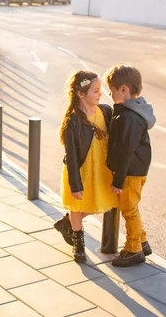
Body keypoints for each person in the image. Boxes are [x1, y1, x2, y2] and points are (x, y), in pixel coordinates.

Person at [53, 70, 118, 263]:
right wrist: (75, 184)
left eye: (100, 90)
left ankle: (68, 223)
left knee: (107, 201)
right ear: (81, 94)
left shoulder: (105, 111)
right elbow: (71, 156)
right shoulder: (72, 122)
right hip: (81, 170)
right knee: (78, 205)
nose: (100, 94)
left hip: (101, 169)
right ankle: (77, 241)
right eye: (96, 91)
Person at [105, 65, 156, 267]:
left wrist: (118, 179)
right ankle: (142, 242)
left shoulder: (129, 117)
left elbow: (126, 150)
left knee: (129, 210)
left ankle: (133, 250)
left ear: (124, 90)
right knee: (131, 207)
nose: (110, 95)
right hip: (135, 169)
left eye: (112, 91)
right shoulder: (132, 111)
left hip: (130, 172)